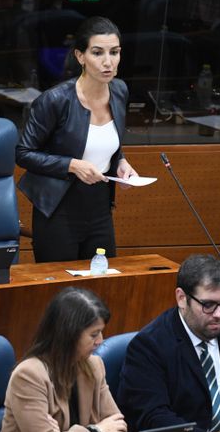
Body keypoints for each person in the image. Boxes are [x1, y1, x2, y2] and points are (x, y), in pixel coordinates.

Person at [118, 254, 220, 432]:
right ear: (182, 298)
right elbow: (154, 417)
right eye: (208, 305)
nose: (219, 314)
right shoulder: (149, 345)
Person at [16, 16, 138, 263]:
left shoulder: (120, 91)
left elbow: (106, 143)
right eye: (97, 53)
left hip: (100, 206)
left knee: (102, 283)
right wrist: (72, 165)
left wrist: (120, 162)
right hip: (59, 208)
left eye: (114, 52)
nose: (108, 62)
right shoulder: (54, 100)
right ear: (80, 56)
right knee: (61, 292)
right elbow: (23, 153)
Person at [1, 287, 127, 432]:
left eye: (100, 332)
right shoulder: (28, 376)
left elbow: (118, 426)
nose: (100, 341)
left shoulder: (94, 366)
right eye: (93, 335)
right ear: (69, 335)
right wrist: (95, 431)